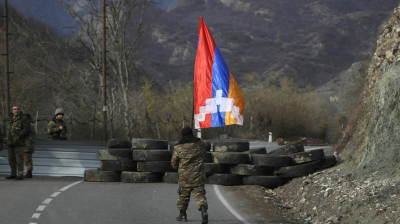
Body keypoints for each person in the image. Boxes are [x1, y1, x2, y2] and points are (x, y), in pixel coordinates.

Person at [171, 126, 208, 224]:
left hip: (184, 177)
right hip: (198, 175)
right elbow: (205, 155)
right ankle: (203, 210)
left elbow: (173, 163)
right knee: (199, 195)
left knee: (183, 196)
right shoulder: (200, 144)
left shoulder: (178, 147)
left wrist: (178, 168)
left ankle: (182, 215)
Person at [4, 106, 31, 180]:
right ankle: (13, 173)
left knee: (19, 159)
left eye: (18, 109)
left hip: (19, 142)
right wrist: (5, 138)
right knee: (11, 159)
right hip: (10, 142)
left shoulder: (23, 118)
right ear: (12, 110)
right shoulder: (9, 119)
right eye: (14, 109)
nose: (16, 110)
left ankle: (20, 174)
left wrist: (19, 135)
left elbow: (27, 129)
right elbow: (5, 128)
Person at [23, 114, 36, 178]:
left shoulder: (29, 125)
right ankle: (29, 172)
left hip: (28, 144)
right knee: (27, 158)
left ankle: (29, 172)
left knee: (27, 158)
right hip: (29, 144)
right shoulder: (31, 124)